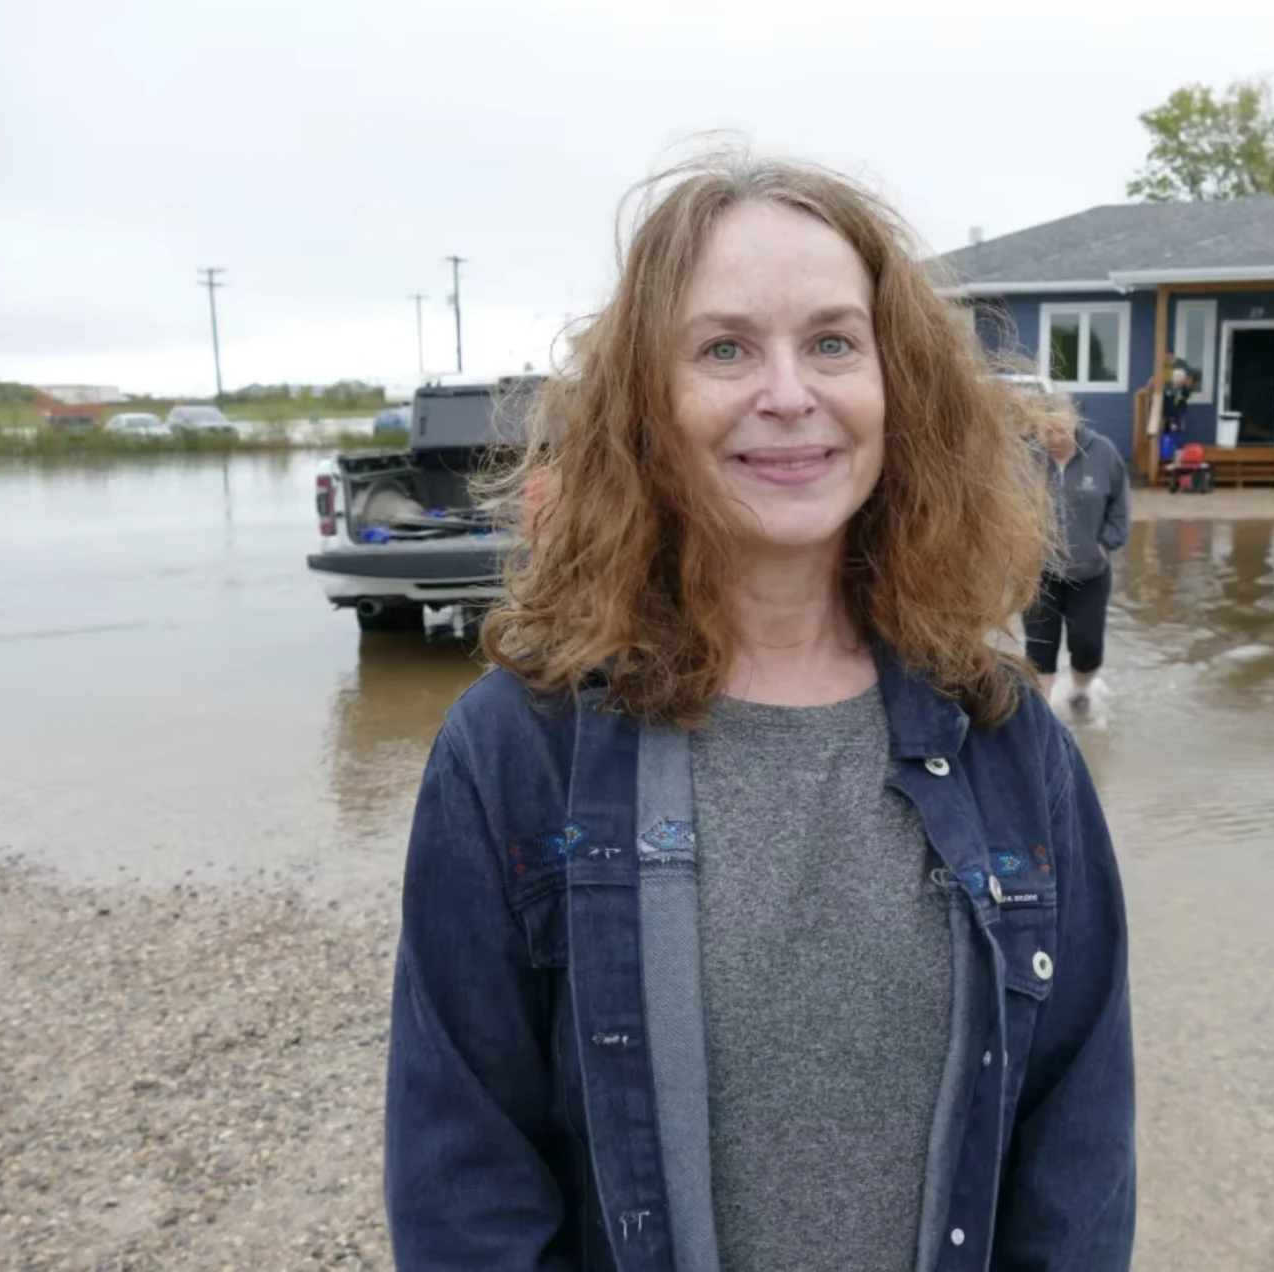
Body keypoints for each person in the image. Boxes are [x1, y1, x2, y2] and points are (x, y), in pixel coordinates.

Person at [384, 152, 1136, 1272]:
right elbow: (467, 1186)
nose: (789, 395)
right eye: (726, 347)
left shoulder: (1011, 748)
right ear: (647, 403)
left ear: (899, 390)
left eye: (833, 342)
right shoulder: (516, 753)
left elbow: (1075, 1160)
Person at [1023, 393, 1130, 711]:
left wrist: (1106, 544)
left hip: (1090, 571)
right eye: (1047, 432)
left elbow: (1120, 506)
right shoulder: (1027, 459)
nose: (1055, 438)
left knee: (1087, 645)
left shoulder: (1103, 453)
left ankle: (1080, 694)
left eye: (1061, 430)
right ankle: (1042, 712)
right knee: (1039, 645)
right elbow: (1009, 507)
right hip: (1039, 572)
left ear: (1075, 423)